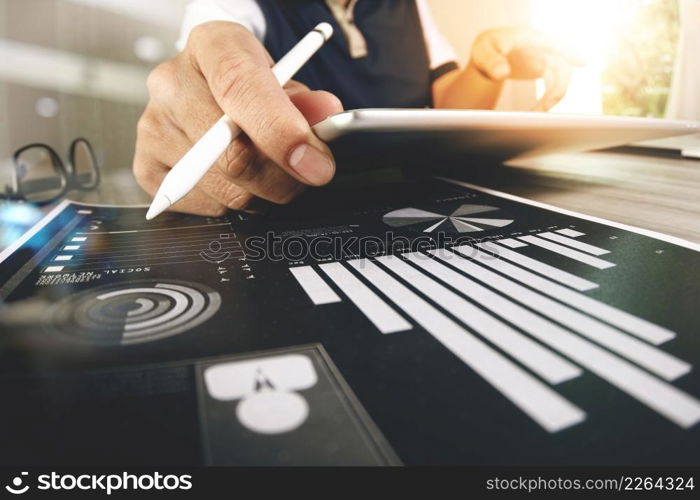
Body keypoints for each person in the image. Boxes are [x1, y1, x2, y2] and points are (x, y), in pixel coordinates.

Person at [133, 0, 583, 216]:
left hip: (420, 202)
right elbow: (201, 70)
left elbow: (445, 100)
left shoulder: (409, 7)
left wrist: (485, 69)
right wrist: (188, 106)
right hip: (297, 215)